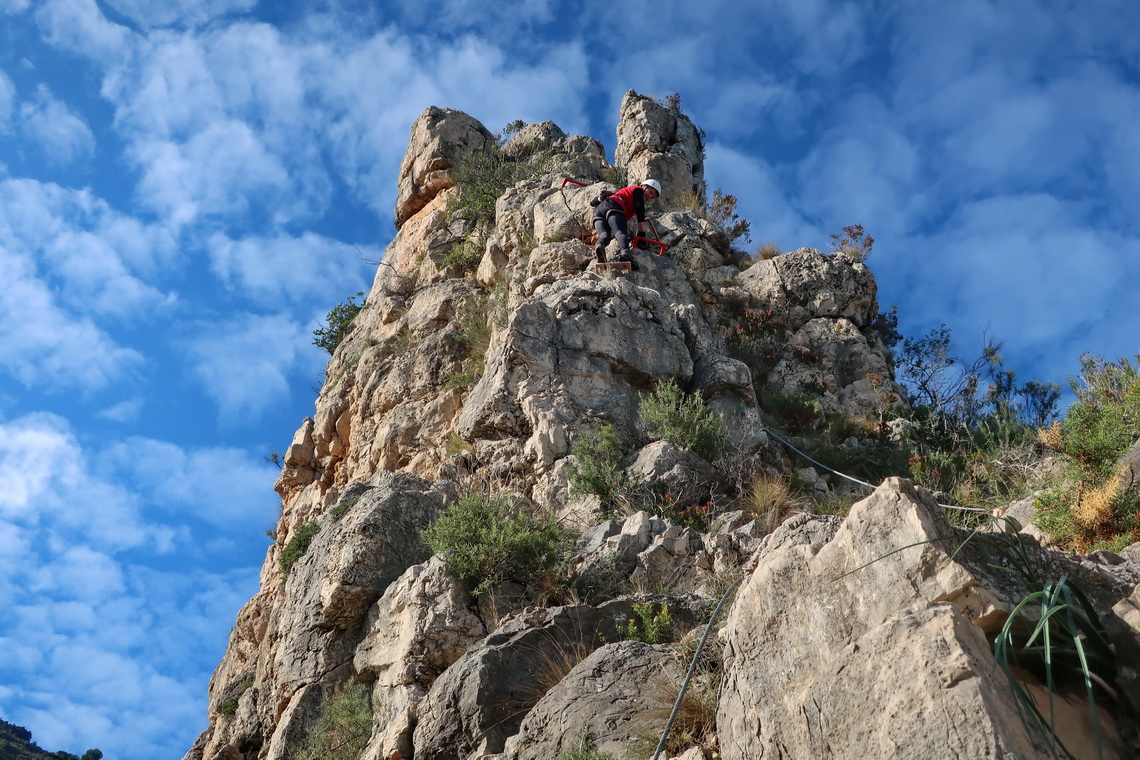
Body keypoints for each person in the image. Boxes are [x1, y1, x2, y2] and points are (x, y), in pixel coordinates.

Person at [592, 179, 661, 268]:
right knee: (621, 233)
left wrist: (599, 198)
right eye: (650, 192)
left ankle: (600, 246)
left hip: (599, 212)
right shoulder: (638, 190)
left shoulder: (623, 194)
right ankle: (625, 254)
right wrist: (642, 232)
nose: (650, 196)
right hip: (614, 207)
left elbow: (594, 202)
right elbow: (640, 209)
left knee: (605, 235)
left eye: (652, 196)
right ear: (644, 187)